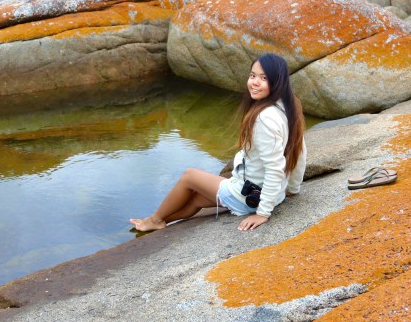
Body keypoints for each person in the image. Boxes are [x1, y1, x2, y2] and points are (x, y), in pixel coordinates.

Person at [129, 53, 307, 232]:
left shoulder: (265, 118)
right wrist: (292, 189)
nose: (255, 82)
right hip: (266, 194)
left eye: (264, 78)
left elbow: (275, 168)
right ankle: (158, 222)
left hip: (250, 197)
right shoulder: (288, 108)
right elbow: (299, 152)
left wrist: (262, 213)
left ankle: (154, 219)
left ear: (278, 82)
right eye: (252, 76)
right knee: (196, 199)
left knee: (189, 176)